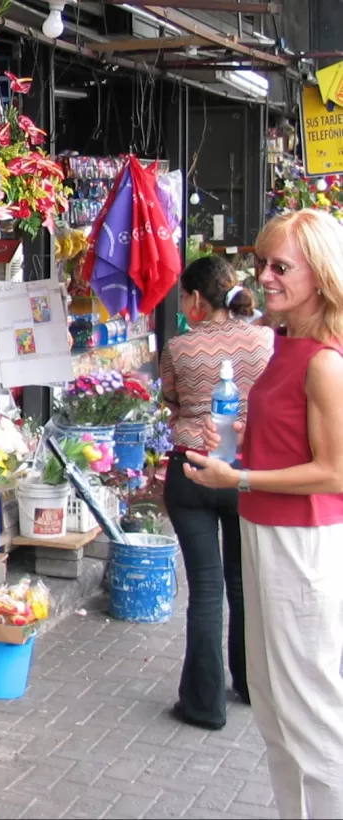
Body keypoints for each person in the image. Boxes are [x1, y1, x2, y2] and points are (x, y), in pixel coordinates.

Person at [185, 209, 343, 819]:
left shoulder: (323, 361)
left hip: (302, 543)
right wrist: (244, 435)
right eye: (262, 264)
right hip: (266, 529)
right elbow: (294, 438)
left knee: (311, 708)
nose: (264, 278)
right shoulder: (285, 345)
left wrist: (240, 475)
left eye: (281, 267)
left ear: (320, 276)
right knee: (277, 708)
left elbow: (333, 470)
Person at [159, 256, 273, 730]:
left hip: (193, 470)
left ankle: (204, 704)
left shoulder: (179, 347)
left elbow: (172, 399)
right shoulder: (266, 340)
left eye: (184, 298)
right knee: (242, 583)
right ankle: (249, 683)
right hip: (247, 471)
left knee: (205, 588)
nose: (184, 306)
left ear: (197, 301)